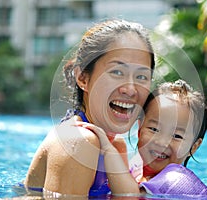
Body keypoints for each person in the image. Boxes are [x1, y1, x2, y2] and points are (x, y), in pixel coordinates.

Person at [23, 19, 155, 196]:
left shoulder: (113, 145)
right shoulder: (78, 141)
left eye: (141, 76)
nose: (130, 89)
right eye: (117, 72)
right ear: (83, 79)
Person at [80, 79, 207, 197]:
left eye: (177, 136)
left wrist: (108, 150)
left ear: (194, 146)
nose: (161, 142)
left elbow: (128, 196)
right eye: (154, 129)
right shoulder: (138, 169)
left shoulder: (176, 179)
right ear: (140, 128)